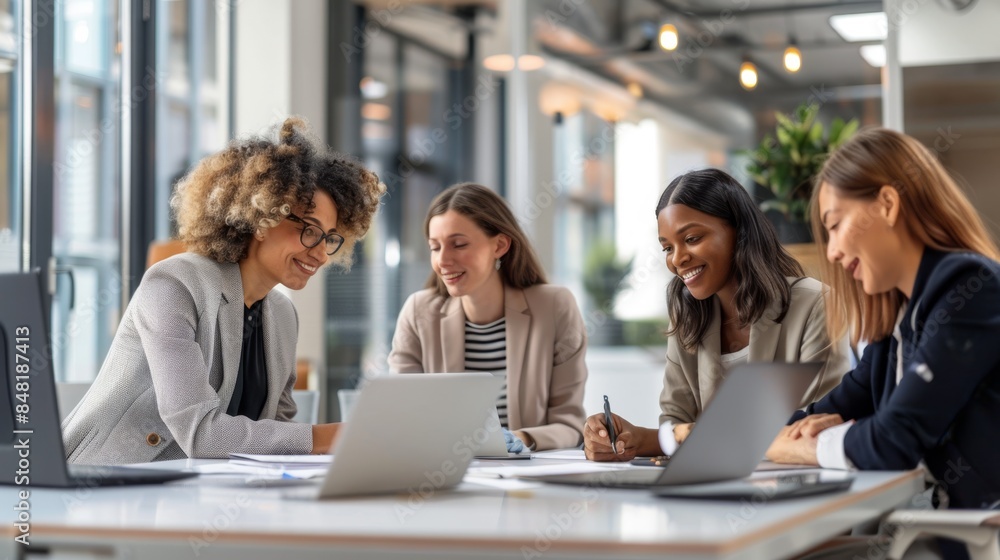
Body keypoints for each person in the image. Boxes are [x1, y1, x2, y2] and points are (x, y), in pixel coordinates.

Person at [62, 118, 385, 464]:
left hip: (200, 494)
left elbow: (278, 436)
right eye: (309, 231)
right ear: (263, 215)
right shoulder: (173, 285)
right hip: (104, 486)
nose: (321, 253)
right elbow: (200, 433)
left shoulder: (282, 315)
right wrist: (328, 436)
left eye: (330, 239)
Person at [767, 128, 1000, 512]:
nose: (834, 252)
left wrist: (803, 448)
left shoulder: (970, 289)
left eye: (835, 224)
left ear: (887, 204)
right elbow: (824, 411)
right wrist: (743, 435)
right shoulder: (899, 323)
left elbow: (895, 440)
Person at [585, 168, 850, 461]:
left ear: (739, 231)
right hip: (708, 489)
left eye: (693, 238)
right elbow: (674, 420)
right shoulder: (688, 316)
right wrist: (630, 441)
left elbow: (811, 427)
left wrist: (661, 439)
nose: (677, 259)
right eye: (667, 248)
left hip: (793, 488)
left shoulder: (816, 304)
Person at [387, 183, 587, 452]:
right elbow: (402, 416)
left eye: (459, 245)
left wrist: (519, 439)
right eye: (435, 247)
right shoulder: (418, 312)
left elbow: (570, 424)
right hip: (444, 476)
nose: (443, 260)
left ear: (500, 245)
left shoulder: (554, 306)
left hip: (527, 480)